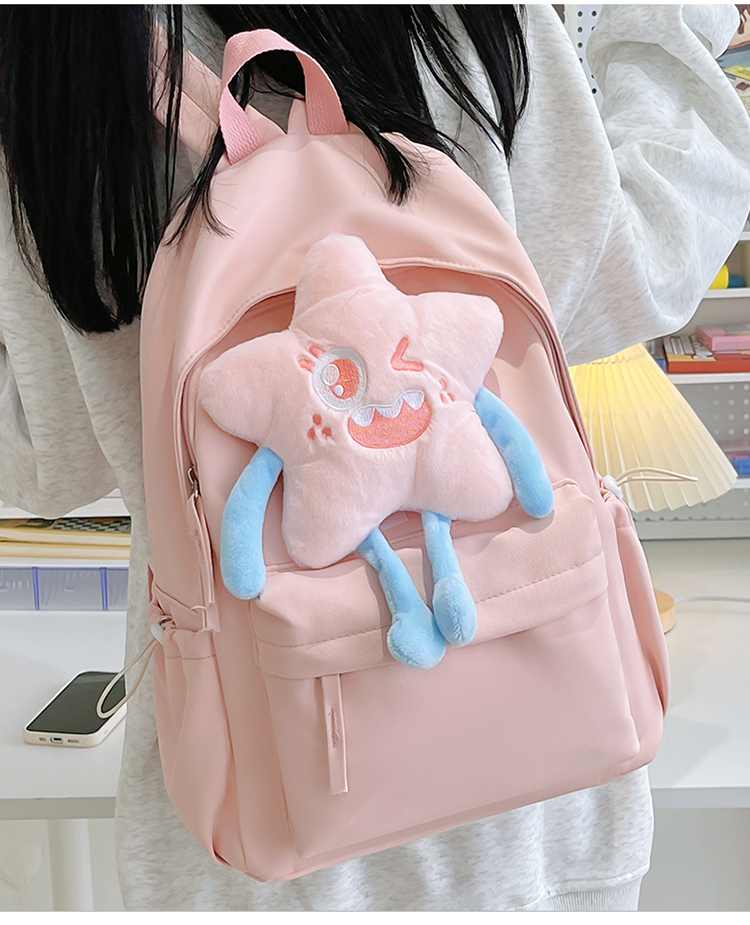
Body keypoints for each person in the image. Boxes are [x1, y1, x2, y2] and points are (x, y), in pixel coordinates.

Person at [1, 4, 749, 912]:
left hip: (261, 820)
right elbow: (638, 264)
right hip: (542, 794)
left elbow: (50, 455)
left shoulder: (62, 49)